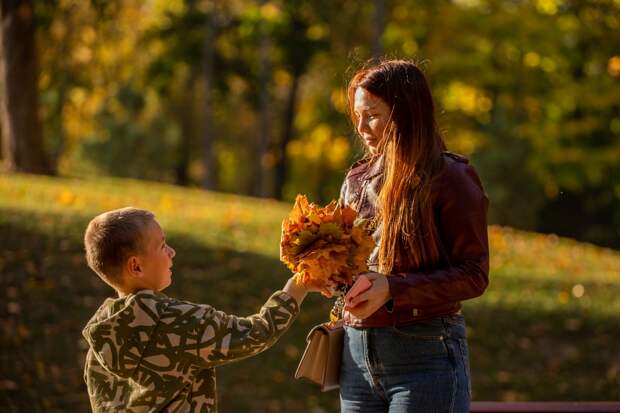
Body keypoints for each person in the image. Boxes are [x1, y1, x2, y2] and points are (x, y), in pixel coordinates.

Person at [337, 60, 490, 413]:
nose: (360, 127)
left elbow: (474, 274)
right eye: (357, 116)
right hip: (356, 357)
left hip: (425, 357)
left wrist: (393, 287)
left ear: (405, 112)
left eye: (372, 115)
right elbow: (350, 265)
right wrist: (327, 271)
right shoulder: (356, 180)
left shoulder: (450, 177)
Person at [81, 207, 311, 413]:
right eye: (162, 246)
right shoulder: (180, 322)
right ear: (136, 266)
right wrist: (301, 285)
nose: (172, 252)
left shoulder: (99, 342)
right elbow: (257, 333)